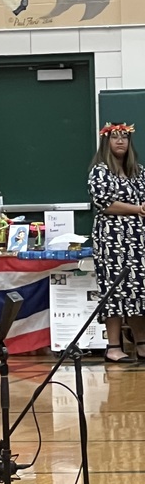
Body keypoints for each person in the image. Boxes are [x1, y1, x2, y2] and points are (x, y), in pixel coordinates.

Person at [88, 122, 145, 363]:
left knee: (138, 290)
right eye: (115, 138)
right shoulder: (100, 171)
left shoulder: (139, 171)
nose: (120, 141)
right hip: (111, 239)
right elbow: (105, 204)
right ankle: (113, 346)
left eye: (124, 138)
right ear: (106, 142)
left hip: (138, 239)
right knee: (114, 290)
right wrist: (138, 209)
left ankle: (141, 343)